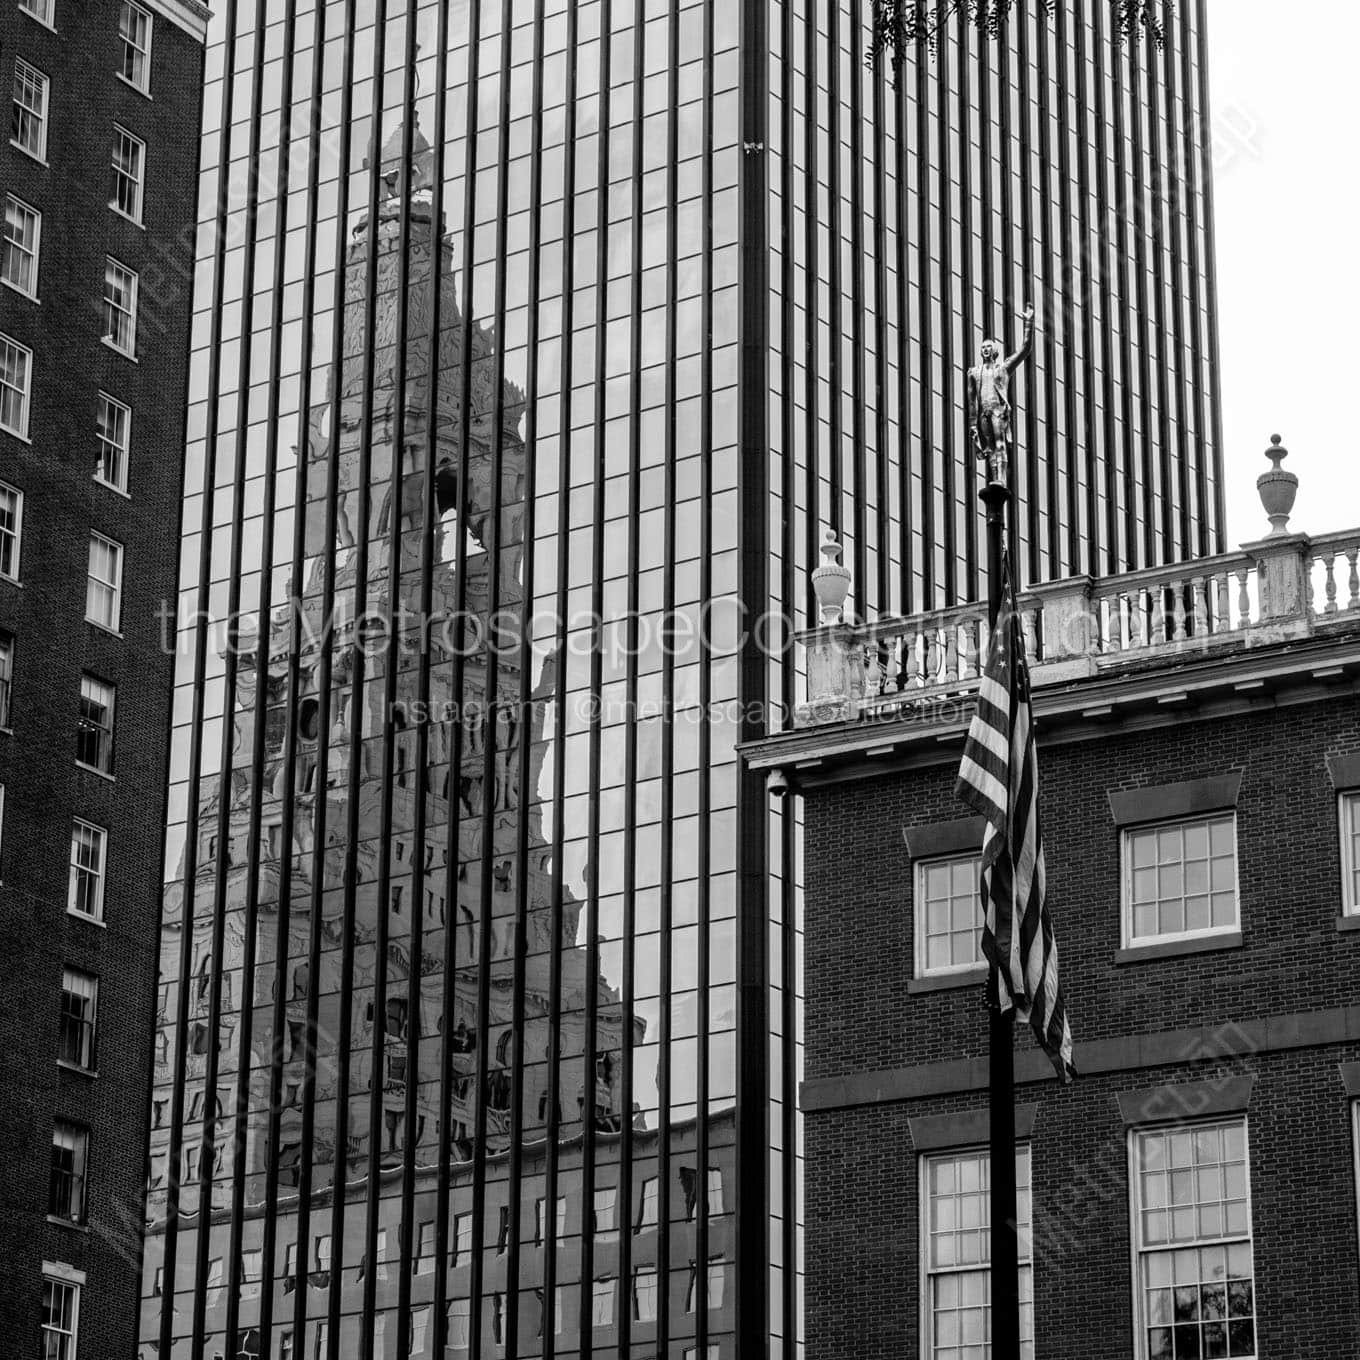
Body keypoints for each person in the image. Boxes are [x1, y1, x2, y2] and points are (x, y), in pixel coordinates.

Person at [967, 303, 1036, 484]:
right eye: (983, 347)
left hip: (998, 411)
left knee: (1000, 444)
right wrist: (973, 424)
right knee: (990, 448)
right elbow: (972, 401)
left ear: (995, 351)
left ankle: (1001, 479)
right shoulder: (974, 372)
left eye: (989, 346)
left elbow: (1025, 349)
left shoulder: (1003, 369)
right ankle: (995, 478)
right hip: (984, 413)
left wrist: (1028, 324)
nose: (985, 349)